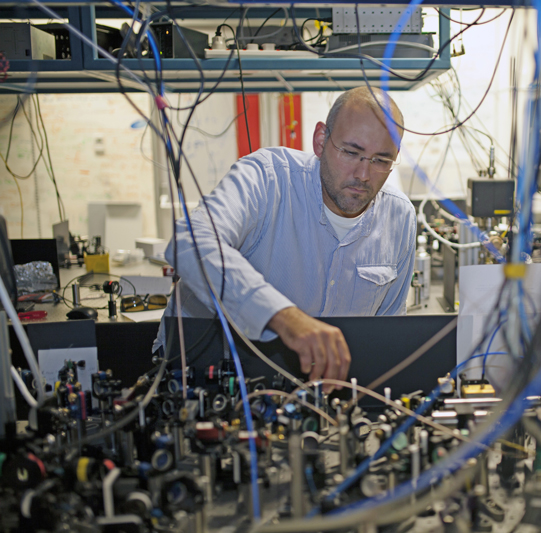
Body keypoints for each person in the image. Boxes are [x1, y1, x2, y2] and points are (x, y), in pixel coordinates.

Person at [155, 87, 417, 391]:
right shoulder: (267, 179)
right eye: (351, 152)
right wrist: (283, 316)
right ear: (320, 140)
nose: (363, 174)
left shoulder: (399, 218)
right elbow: (189, 242)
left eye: (381, 160)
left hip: (317, 395)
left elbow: (387, 334)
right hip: (205, 376)